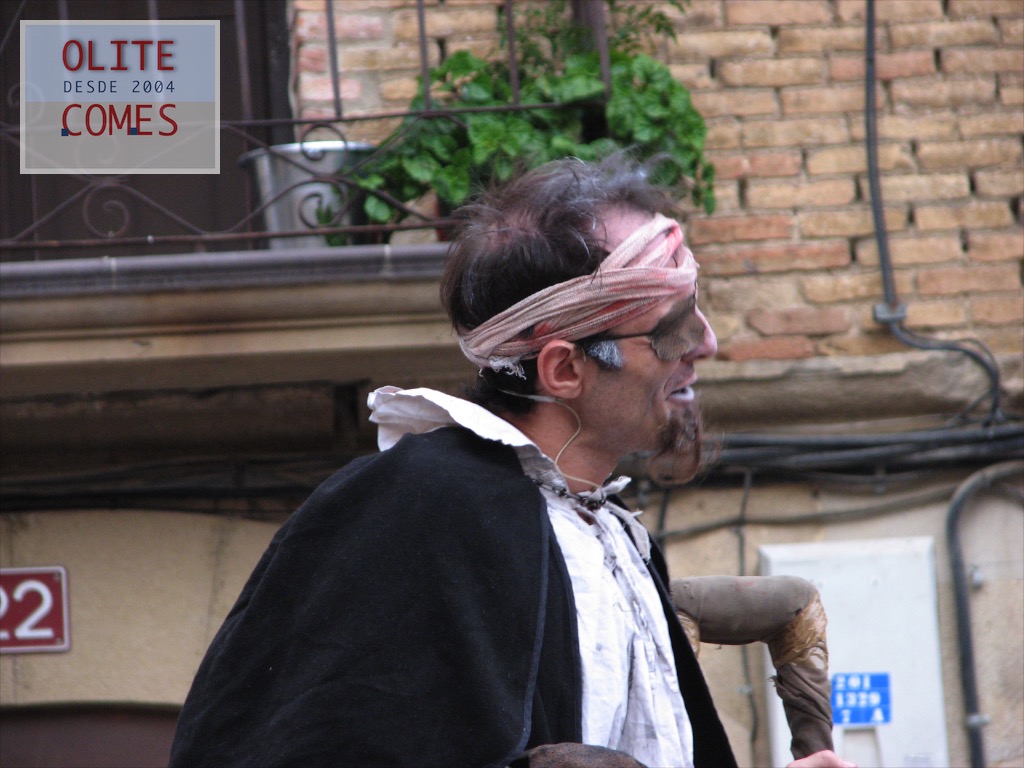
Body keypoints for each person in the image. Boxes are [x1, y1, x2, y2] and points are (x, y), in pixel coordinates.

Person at [169, 155, 853, 768]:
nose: (706, 343)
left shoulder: (606, 528)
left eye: (696, 312)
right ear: (564, 369)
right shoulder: (418, 506)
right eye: (672, 328)